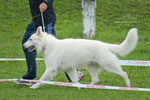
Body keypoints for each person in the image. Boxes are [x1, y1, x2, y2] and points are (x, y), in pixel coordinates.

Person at [14, 0, 84, 86]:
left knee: (56, 50)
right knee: (26, 44)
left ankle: (75, 75)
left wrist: (46, 3)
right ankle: (30, 76)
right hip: (36, 19)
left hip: (46, 18)